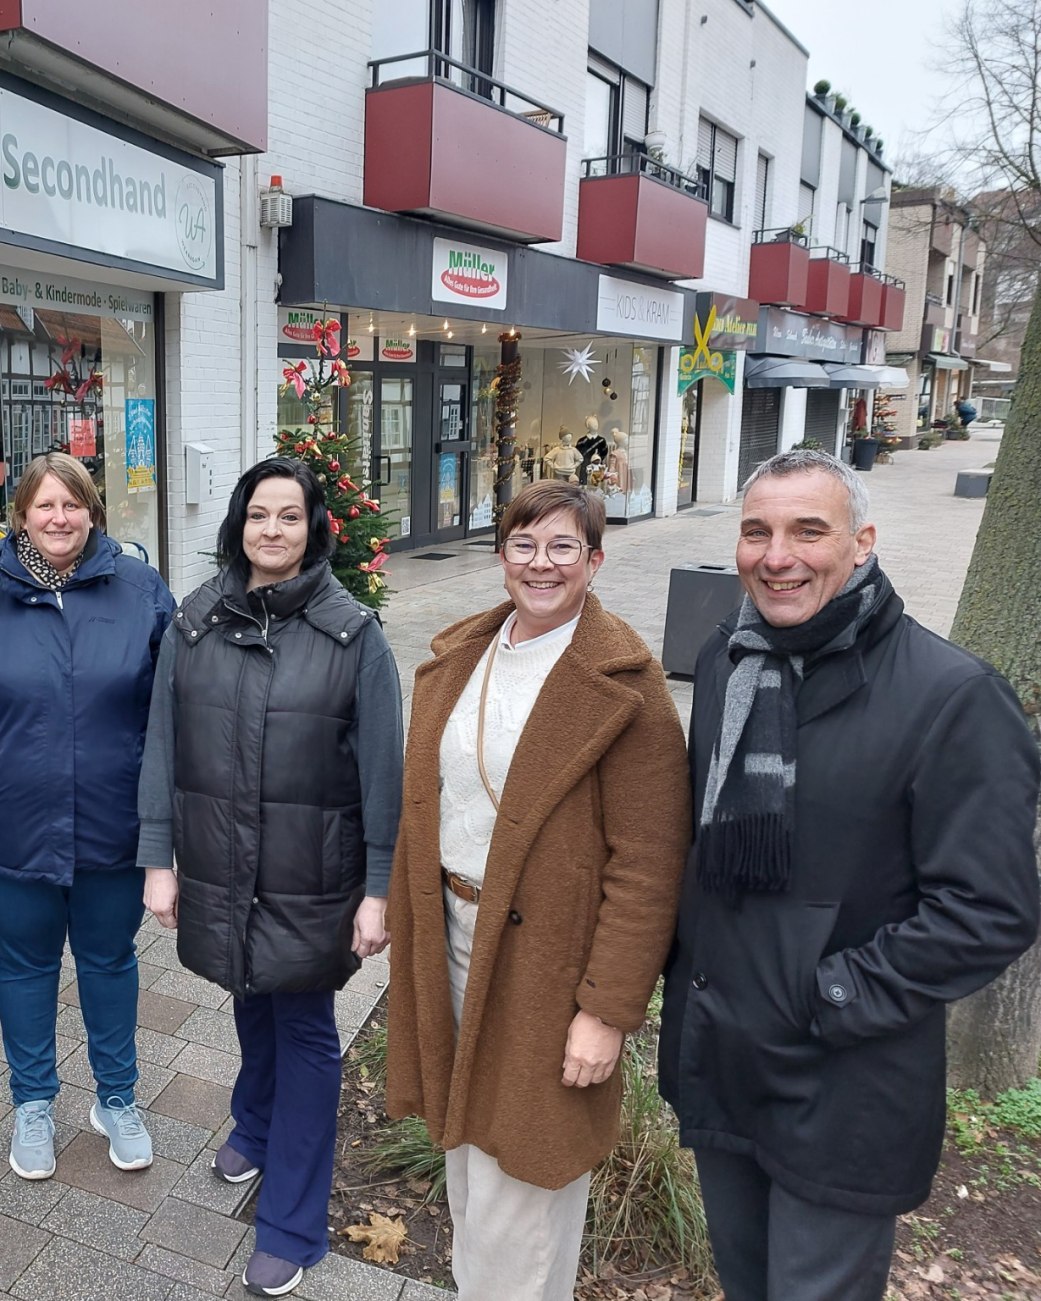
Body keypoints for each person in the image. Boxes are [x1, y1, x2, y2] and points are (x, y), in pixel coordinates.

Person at [659, 449, 1040, 1301]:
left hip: (841, 1077)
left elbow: (989, 911)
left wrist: (826, 996)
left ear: (862, 542)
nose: (776, 554)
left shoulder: (952, 697)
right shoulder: (730, 655)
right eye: (756, 531)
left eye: (808, 530)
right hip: (726, 1056)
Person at [386, 480, 691, 1301]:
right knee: (466, 1167)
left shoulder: (628, 687)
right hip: (450, 931)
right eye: (524, 545)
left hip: (549, 968)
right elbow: (428, 806)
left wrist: (606, 1011)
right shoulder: (460, 655)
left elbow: (650, 864)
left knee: (521, 1192)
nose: (540, 563)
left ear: (594, 560)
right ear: (500, 556)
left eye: (562, 547)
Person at [138, 458, 403, 1298]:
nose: (273, 531)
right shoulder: (194, 621)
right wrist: (159, 860)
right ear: (238, 524)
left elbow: (383, 778)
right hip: (221, 860)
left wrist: (378, 887)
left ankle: (291, 1221)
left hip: (311, 876)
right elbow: (161, 747)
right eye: (260, 515)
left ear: (315, 527)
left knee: (304, 1029)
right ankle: (253, 1125)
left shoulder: (352, 635)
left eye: (290, 516)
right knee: (248, 993)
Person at [0, 452, 175, 1180]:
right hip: (16, 829)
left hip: (113, 827)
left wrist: (168, 836)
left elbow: (171, 717)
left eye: (72, 504)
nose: (59, 518)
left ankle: (117, 1097)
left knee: (108, 962)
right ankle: (34, 1101)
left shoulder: (140, 589)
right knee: (24, 967)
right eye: (44, 506)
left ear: (93, 510)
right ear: (22, 515)